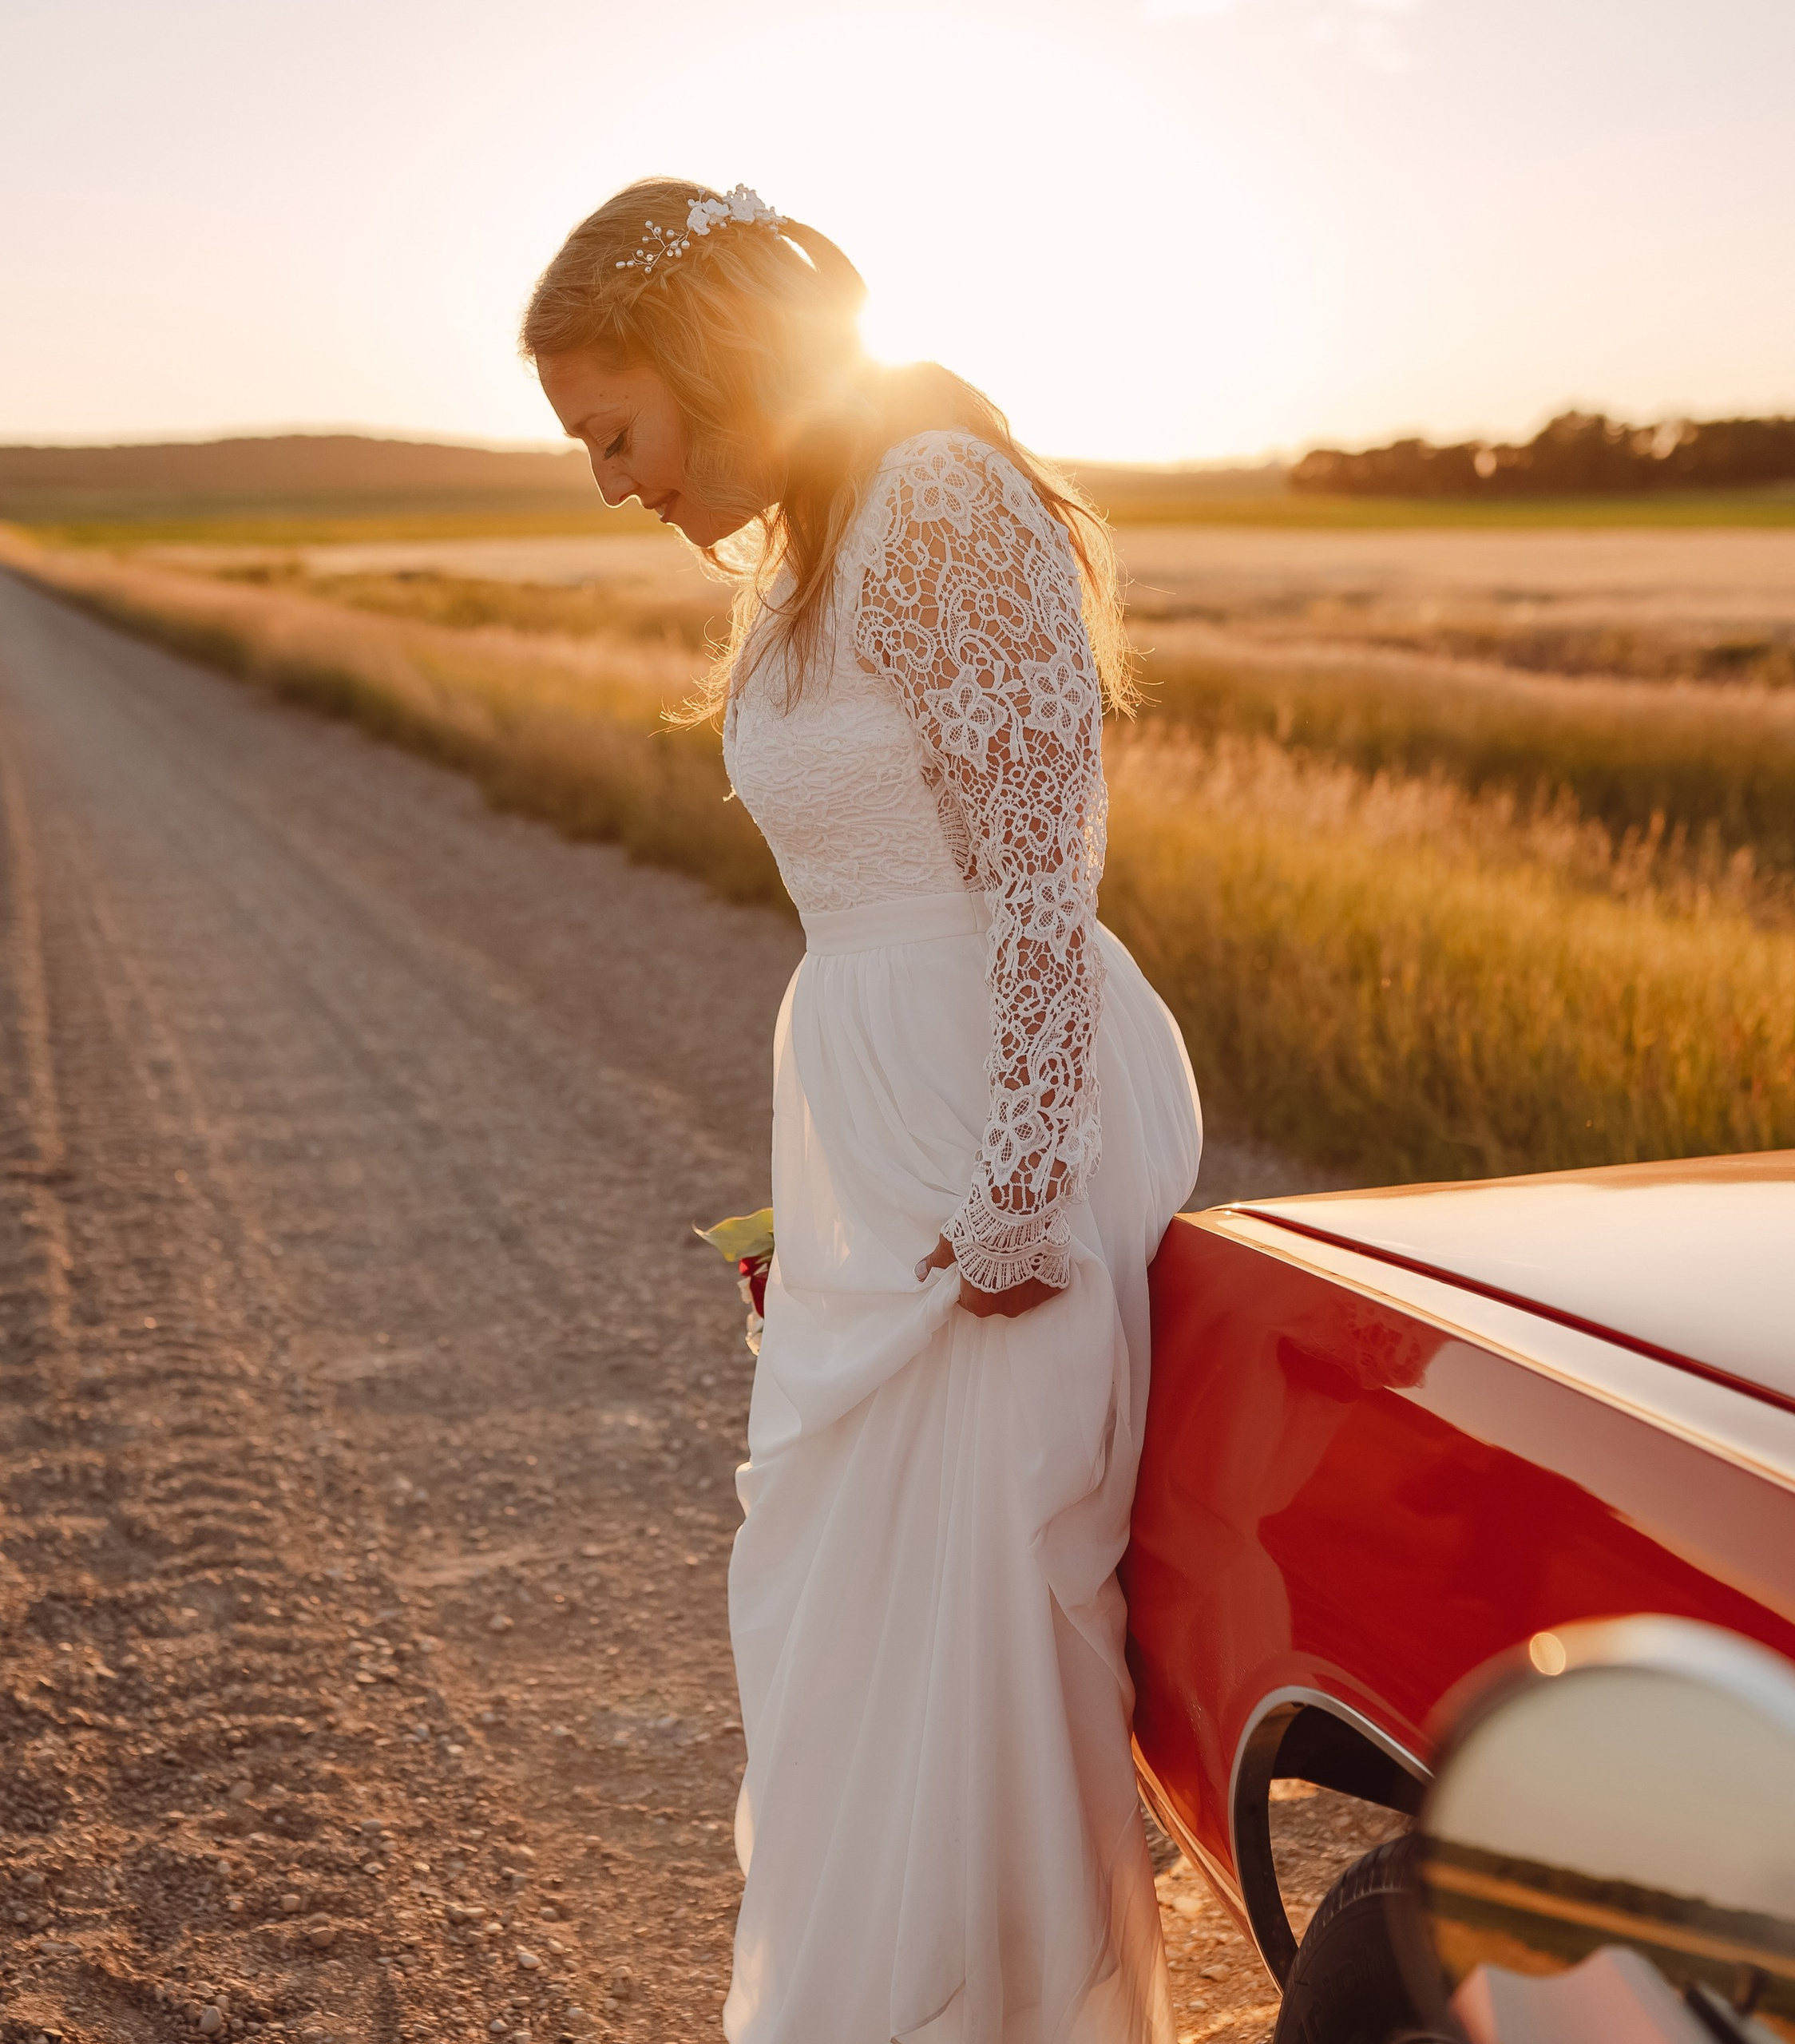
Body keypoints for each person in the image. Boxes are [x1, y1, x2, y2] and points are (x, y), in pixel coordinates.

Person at [522, 179, 1203, 2044]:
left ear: (710, 360)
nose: (609, 485)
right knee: (862, 1624)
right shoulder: (809, 541)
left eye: (616, 432)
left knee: (973, 1622)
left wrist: (1012, 1190)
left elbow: (1036, 879)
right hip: (875, 1109)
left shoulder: (934, 501)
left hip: (1006, 1108)